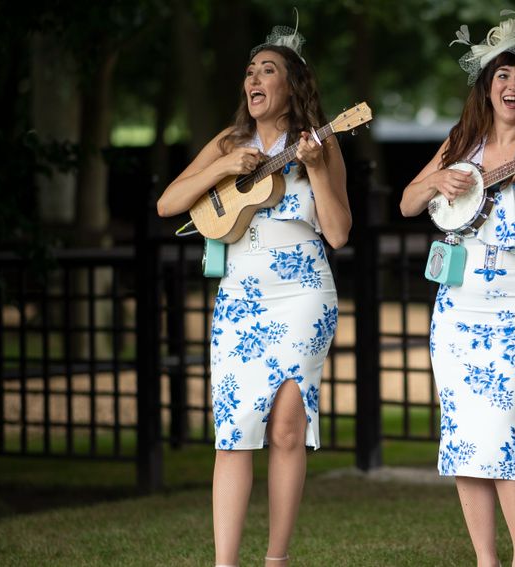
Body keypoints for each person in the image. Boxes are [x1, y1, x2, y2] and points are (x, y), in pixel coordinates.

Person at [156, 21, 350, 567]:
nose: (254, 79)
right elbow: (168, 205)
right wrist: (221, 166)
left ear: (294, 87)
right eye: (250, 71)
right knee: (234, 429)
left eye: (269, 70)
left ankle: (276, 559)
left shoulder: (321, 143)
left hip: (304, 290)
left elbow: (338, 232)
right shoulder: (228, 141)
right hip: (240, 293)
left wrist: (318, 169)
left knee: (287, 429)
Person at [400, 9, 515, 567]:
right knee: (461, 439)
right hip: (456, 306)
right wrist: (436, 178)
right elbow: (407, 203)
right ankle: (487, 560)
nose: (513, 85)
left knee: (502, 434)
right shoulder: (463, 141)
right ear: (486, 85)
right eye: (503, 75)